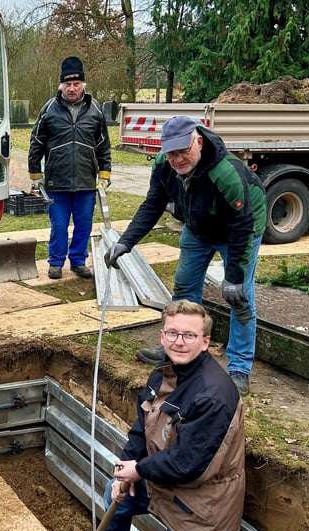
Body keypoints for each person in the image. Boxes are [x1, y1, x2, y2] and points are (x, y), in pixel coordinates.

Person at [104, 115, 265, 395]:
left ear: (198, 142)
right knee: (184, 288)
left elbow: (242, 224)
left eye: (183, 151)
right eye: (171, 153)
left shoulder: (226, 172)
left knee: (240, 297)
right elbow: (153, 205)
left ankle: (239, 367)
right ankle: (176, 350)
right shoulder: (163, 166)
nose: (177, 159)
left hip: (240, 229)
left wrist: (234, 277)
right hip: (198, 227)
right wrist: (125, 242)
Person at [84, 299, 246, 531]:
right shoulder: (165, 372)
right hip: (164, 483)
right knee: (115, 495)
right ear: (162, 336)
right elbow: (142, 426)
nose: (179, 342)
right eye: (172, 333)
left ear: (205, 342)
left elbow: (189, 464)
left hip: (199, 507)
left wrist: (140, 470)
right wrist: (126, 467)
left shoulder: (213, 395)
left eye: (189, 335)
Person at [28, 55, 112, 280]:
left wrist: (104, 173)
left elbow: (104, 145)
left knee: (84, 224)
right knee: (59, 224)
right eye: (67, 84)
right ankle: (56, 262)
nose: (72, 89)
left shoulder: (95, 110)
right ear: (61, 85)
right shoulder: (49, 109)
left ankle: (78, 261)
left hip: (86, 180)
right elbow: (36, 142)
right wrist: (35, 174)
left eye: (76, 84)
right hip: (57, 180)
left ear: (83, 85)